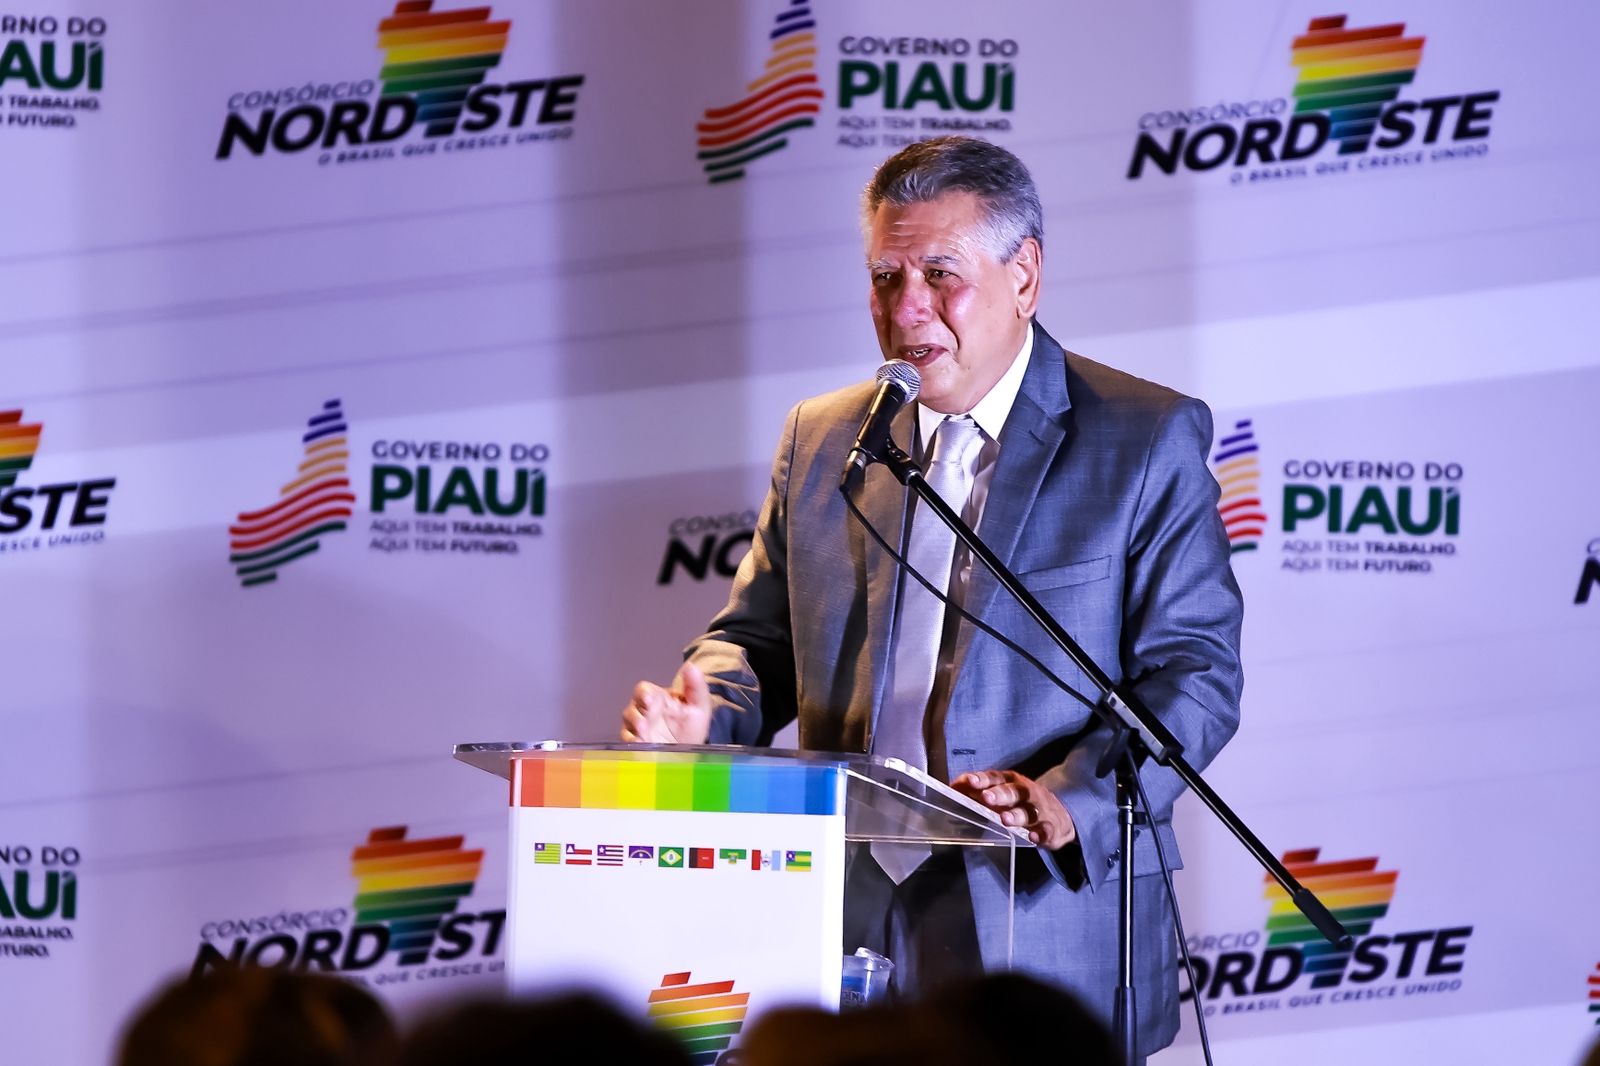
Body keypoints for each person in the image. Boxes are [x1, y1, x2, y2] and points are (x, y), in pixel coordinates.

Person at [621, 135, 1242, 1059]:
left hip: (1039, 895)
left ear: (1023, 277)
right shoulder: (825, 437)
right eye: (885, 277)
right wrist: (706, 710)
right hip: (850, 896)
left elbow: (1195, 674)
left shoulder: (1143, 437)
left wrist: (1067, 796)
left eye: (940, 275)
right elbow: (756, 641)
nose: (906, 309)